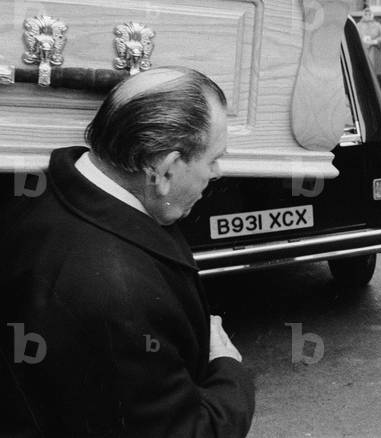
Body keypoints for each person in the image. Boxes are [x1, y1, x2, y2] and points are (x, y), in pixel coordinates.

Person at [0, 67, 255, 437]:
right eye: (213, 158)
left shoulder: (37, 194)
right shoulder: (118, 298)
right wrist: (228, 368)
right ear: (165, 170)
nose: (217, 172)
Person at [357, 6, 381, 77]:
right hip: (363, 51)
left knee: (374, 72)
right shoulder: (358, 25)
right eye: (366, 14)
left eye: (369, 14)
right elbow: (354, 37)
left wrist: (375, 41)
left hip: (374, 51)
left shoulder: (377, 25)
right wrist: (362, 39)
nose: (368, 16)